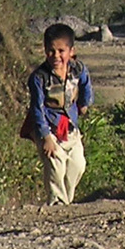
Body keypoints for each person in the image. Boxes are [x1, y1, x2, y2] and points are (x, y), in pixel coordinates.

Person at [24, 22, 94, 206]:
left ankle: (66, 202)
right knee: (56, 164)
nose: (56, 56)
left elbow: (86, 86)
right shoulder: (39, 78)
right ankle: (57, 203)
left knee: (78, 165)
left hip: (70, 128)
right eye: (51, 51)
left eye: (61, 51)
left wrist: (84, 104)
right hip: (48, 128)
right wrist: (45, 137)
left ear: (71, 51)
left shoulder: (78, 69)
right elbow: (37, 108)